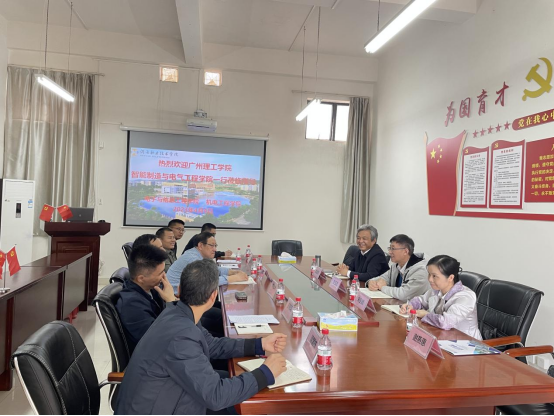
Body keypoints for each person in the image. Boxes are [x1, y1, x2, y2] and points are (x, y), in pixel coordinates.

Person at [115, 259, 288, 416]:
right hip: (158, 407)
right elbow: (216, 396)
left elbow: (211, 344)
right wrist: (266, 373)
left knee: (233, 384)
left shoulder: (178, 312)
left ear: (180, 290)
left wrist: (259, 344)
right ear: (213, 296)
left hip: (166, 398)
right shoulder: (181, 336)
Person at [400, 255, 482, 340]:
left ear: (450, 277)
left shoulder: (466, 297)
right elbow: (421, 300)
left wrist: (425, 314)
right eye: (429, 274)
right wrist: (410, 306)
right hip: (441, 336)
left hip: (465, 342)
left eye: (434, 276)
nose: (430, 279)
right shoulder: (437, 289)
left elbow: (445, 322)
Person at [115, 245, 178, 354]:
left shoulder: (151, 289)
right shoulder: (132, 305)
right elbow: (158, 340)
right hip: (155, 357)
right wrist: (171, 301)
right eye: (160, 273)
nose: (164, 276)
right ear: (141, 278)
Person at [168, 232, 248, 293]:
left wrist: (232, 272)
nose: (215, 249)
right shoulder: (192, 258)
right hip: (176, 298)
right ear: (200, 246)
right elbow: (206, 282)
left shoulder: (198, 255)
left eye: (215, 246)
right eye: (212, 245)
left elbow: (212, 269)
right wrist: (234, 278)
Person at [367, 234, 430, 302]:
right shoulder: (396, 265)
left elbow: (404, 295)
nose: (389, 252)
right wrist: (370, 283)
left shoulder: (421, 270)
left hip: (415, 307)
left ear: (405, 251)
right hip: (396, 305)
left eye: (393, 249)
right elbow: (383, 278)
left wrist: (382, 287)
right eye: (390, 248)